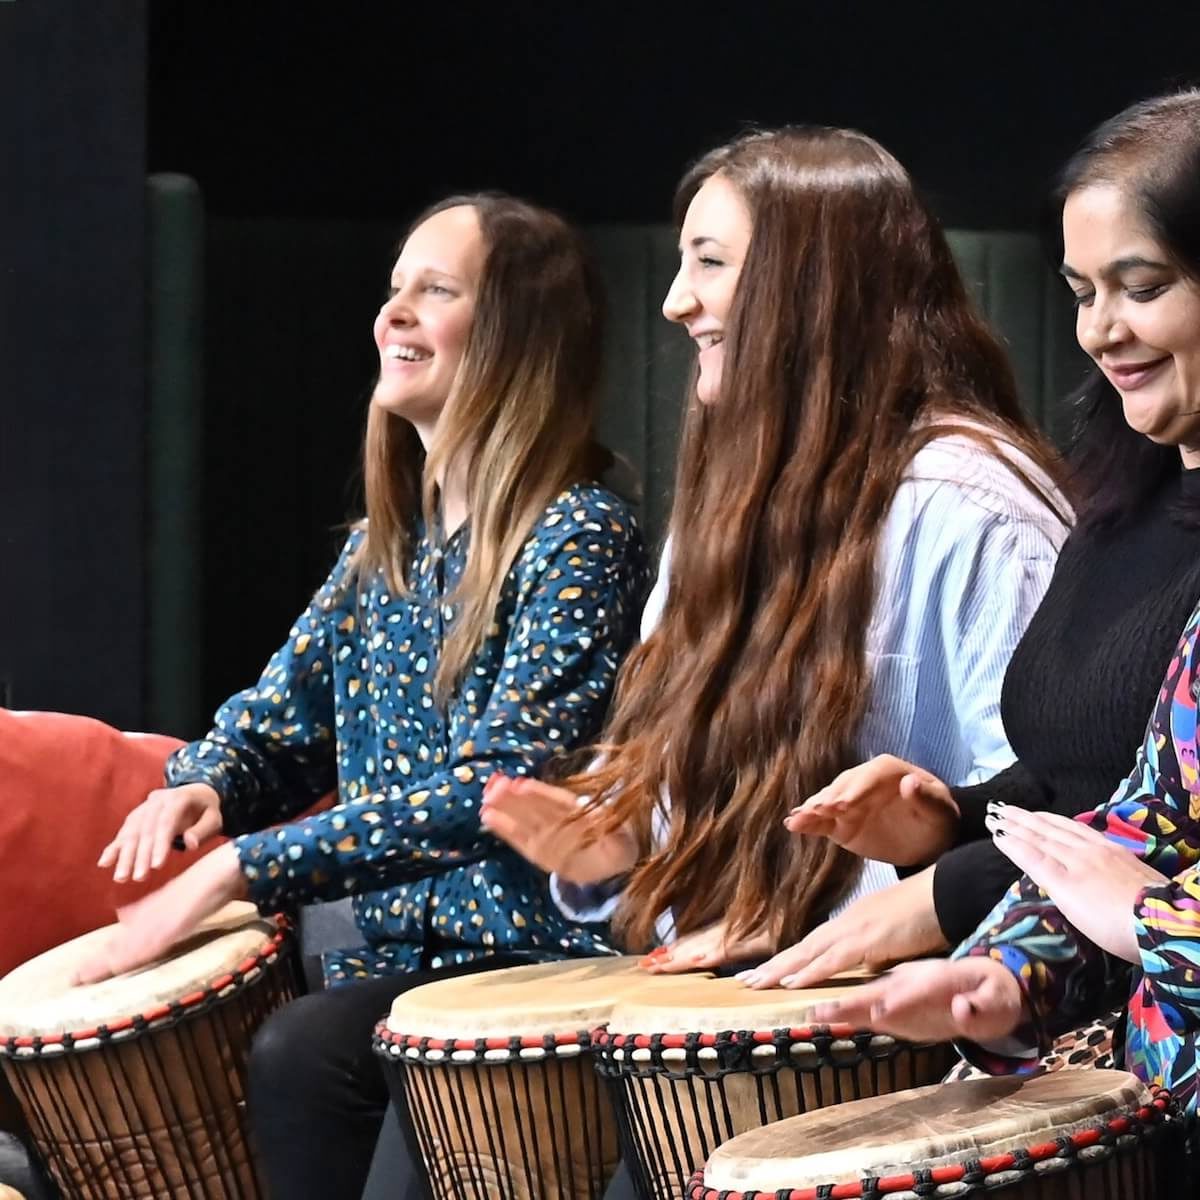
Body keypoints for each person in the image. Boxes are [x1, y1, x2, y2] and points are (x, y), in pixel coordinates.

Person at [80, 193, 650, 1199]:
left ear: (518, 334)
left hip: (524, 968)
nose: (392, 314)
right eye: (395, 290)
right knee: (300, 1051)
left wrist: (238, 871)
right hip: (395, 972)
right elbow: (276, 719)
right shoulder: (379, 554)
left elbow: (495, 787)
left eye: (435, 290)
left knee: (311, 1049)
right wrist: (210, 783)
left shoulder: (578, 535)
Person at [481, 126, 1070, 971]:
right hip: (733, 996)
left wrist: (810, 914)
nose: (675, 301)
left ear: (813, 289)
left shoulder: (971, 511)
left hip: (917, 1035)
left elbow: (1047, 831)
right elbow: (686, 798)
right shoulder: (725, 506)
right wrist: (610, 847)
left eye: (710, 262)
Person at [746, 88, 1200, 994]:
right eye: (1082, 294)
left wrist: (953, 896)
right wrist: (949, 818)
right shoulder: (1122, 499)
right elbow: (1081, 781)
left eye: (1142, 288)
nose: (1102, 330)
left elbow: (1152, 844)